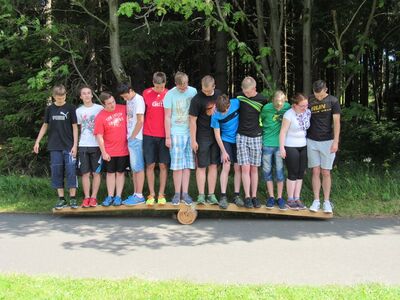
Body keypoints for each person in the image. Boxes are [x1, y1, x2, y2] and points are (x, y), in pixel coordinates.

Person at [33, 84, 78, 209]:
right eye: (58, 97)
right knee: (57, 172)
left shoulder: (71, 108)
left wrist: (75, 145)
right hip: (54, 146)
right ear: (54, 96)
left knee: (71, 171)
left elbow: (75, 127)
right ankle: (61, 199)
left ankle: (73, 199)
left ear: (65, 95)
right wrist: (37, 141)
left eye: (63, 96)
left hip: (69, 146)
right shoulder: (49, 109)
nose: (61, 99)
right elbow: (45, 125)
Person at [307, 80, 341, 214]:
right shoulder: (309, 100)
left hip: (328, 141)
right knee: (315, 171)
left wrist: (336, 141)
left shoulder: (333, 101)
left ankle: (326, 201)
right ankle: (316, 200)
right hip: (311, 140)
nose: (318, 98)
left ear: (326, 90)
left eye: (321, 95)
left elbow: (337, 122)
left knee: (325, 172)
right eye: (316, 95)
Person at [164, 71, 197, 205]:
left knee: (188, 165)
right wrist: (167, 137)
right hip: (176, 133)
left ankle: (185, 193)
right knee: (177, 166)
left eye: (186, 85)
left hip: (190, 132)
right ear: (176, 84)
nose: (184, 88)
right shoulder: (170, 94)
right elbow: (166, 117)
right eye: (181, 87)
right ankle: (177, 194)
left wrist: (195, 136)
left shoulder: (193, 91)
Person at [189, 75, 221, 205]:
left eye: (208, 90)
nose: (205, 92)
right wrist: (193, 140)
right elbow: (192, 120)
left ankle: (211, 195)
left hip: (217, 134)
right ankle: (201, 195)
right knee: (201, 166)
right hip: (202, 136)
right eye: (203, 89)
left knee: (213, 165)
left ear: (214, 87)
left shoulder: (219, 95)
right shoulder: (197, 99)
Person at [236, 76, 268, 208]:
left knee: (254, 169)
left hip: (256, 136)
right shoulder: (239, 97)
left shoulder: (263, 100)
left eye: (248, 92)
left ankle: (254, 196)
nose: (246, 94)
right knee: (245, 167)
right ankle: (247, 196)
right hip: (241, 136)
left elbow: (267, 116)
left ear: (254, 88)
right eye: (244, 91)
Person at [94, 92, 129, 207]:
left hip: (123, 149)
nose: (112, 105)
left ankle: (118, 196)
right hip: (109, 151)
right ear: (104, 104)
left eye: (113, 101)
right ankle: (110, 196)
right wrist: (103, 152)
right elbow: (99, 136)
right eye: (109, 104)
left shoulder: (123, 108)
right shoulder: (100, 116)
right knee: (110, 174)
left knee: (120, 173)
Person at [211, 94, 243, 209]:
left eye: (225, 110)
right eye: (221, 111)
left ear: (229, 105)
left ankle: (236, 195)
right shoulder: (215, 115)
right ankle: (223, 196)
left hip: (239, 139)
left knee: (238, 167)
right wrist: (223, 151)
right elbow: (217, 135)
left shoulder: (236, 103)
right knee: (226, 165)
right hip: (225, 141)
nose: (223, 113)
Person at [142, 72, 170, 205]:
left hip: (165, 135)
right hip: (148, 134)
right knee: (150, 165)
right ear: (153, 83)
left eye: (162, 86)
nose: (160, 89)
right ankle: (151, 194)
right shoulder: (146, 93)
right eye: (157, 86)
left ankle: (161, 194)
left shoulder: (169, 94)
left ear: (165, 83)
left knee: (163, 165)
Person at [279, 93, 311, 210]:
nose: (305, 108)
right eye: (302, 106)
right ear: (294, 106)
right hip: (290, 145)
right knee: (292, 172)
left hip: (303, 145)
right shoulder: (289, 114)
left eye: (306, 105)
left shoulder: (307, 113)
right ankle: (290, 199)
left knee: (300, 173)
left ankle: (297, 198)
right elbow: (282, 132)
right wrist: (282, 148)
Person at [261, 90, 290, 210]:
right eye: (276, 105)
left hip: (280, 145)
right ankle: (271, 197)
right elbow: (260, 121)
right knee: (267, 172)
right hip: (267, 143)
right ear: (272, 101)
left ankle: (279, 197)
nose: (279, 107)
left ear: (285, 101)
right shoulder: (266, 108)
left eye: (281, 105)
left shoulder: (288, 107)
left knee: (279, 172)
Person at [117, 83, 146, 206]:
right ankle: (135, 193)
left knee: (138, 167)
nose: (124, 99)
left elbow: (140, 121)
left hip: (136, 138)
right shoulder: (130, 100)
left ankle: (139, 195)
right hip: (131, 137)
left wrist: (133, 136)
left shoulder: (138, 100)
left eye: (125, 96)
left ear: (130, 90)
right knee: (134, 167)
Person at [76, 86, 103, 207]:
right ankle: (86, 197)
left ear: (92, 95)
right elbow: (79, 128)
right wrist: (76, 144)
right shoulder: (79, 111)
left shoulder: (99, 109)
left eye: (88, 93)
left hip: (97, 145)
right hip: (83, 145)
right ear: (81, 97)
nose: (86, 95)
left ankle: (94, 197)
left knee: (96, 173)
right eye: (84, 94)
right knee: (85, 173)